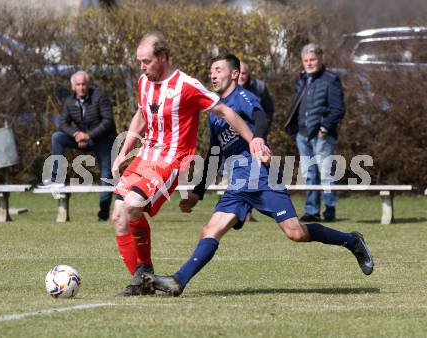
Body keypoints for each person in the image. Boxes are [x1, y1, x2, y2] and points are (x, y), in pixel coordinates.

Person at [139, 53, 374, 297]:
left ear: (235, 74)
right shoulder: (214, 113)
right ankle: (178, 281)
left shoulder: (242, 97)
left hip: (262, 177)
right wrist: (197, 194)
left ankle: (352, 241)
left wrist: (259, 136)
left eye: (218, 70)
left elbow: (262, 116)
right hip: (238, 184)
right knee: (211, 229)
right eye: (211, 71)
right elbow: (214, 155)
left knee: (296, 233)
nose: (212, 74)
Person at [111, 33, 268, 296]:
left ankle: (143, 273)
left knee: (132, 205)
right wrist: (124, 150)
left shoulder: (187, 85)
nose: (142, 67)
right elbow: (141, 114)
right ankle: (141, 279)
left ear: (162, 57)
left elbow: (225, 111)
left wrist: (254, 140)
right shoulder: (143, 82)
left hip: (173, 159)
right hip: (145, 156)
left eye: (146, 61)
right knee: (119, 217)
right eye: (139, 61)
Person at [38, 70, 116, 221]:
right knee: (57, 137)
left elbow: (107, 121)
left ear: (88, 85)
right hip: (81, 138)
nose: (81, 87)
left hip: (103, 140)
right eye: (78, 84)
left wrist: (89, 135)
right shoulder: (69, 101)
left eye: (84, 84)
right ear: (73, 87)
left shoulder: (100, 97)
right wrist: (76, 134)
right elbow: (62, 123)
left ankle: (104, 212)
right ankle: (56, 178)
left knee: (106, 175)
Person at [284, 43, 345, 222]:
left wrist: (325, 127)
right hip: (302, 134)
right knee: (309, 174)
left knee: (325, 174)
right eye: (306, 60)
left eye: (312, 60)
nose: (309, 63)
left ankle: (329, 210)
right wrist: (294, 129)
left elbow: (338, 109)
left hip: (322, 135)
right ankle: (311, 211)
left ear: (321, 59)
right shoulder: (303, 79)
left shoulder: (331, 79)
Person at [238, 60, 275, 222]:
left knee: (257, 172)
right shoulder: (227, 91)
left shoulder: (258, 88)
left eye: (244, 73)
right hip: (236, 139)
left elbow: (268, 111)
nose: (241, 76)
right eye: (238, 73)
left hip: (257, 136)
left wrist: (261, 133)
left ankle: (253, 208)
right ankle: (242, 210)